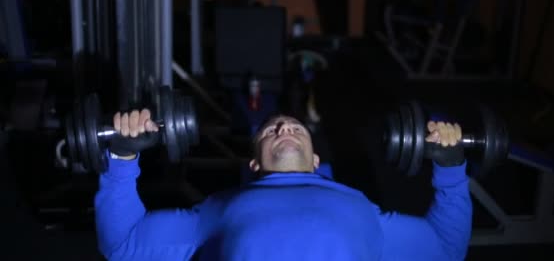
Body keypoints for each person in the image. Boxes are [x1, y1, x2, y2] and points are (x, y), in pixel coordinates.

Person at [95, 109, 472, 261]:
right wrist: (122, 157)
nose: (285, 128)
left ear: (316, 162)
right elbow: (122, 244)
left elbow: (445, 248)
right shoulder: (219, 207)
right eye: (271, 130)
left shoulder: (362, 209)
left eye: (295, 127)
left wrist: (452, 169)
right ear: (255, 163)